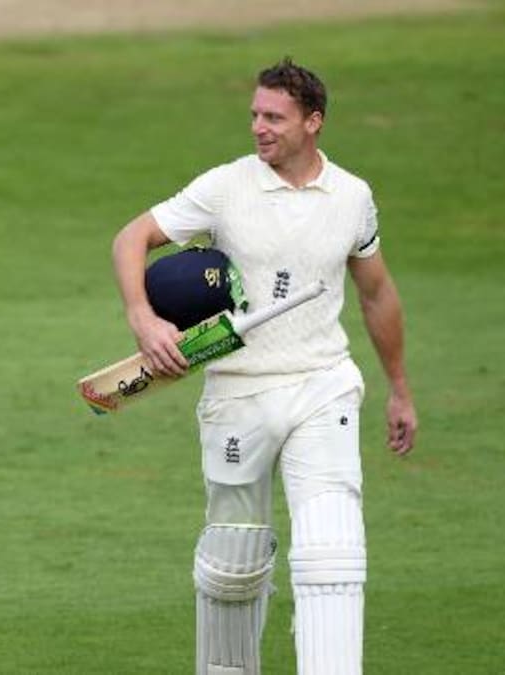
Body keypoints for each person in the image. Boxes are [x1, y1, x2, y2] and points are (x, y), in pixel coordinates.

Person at [111, 58, 417, 674]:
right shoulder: (226, 187)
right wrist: (143, 318)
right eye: (254, 114)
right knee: (234, 562)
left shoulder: (353, 196)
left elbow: (377, 292)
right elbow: (131, 238)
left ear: (313, 122)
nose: (259, 127)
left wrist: (399, 390)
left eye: (274, 116)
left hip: (322, 385)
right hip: (238, 395)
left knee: (332, 552)